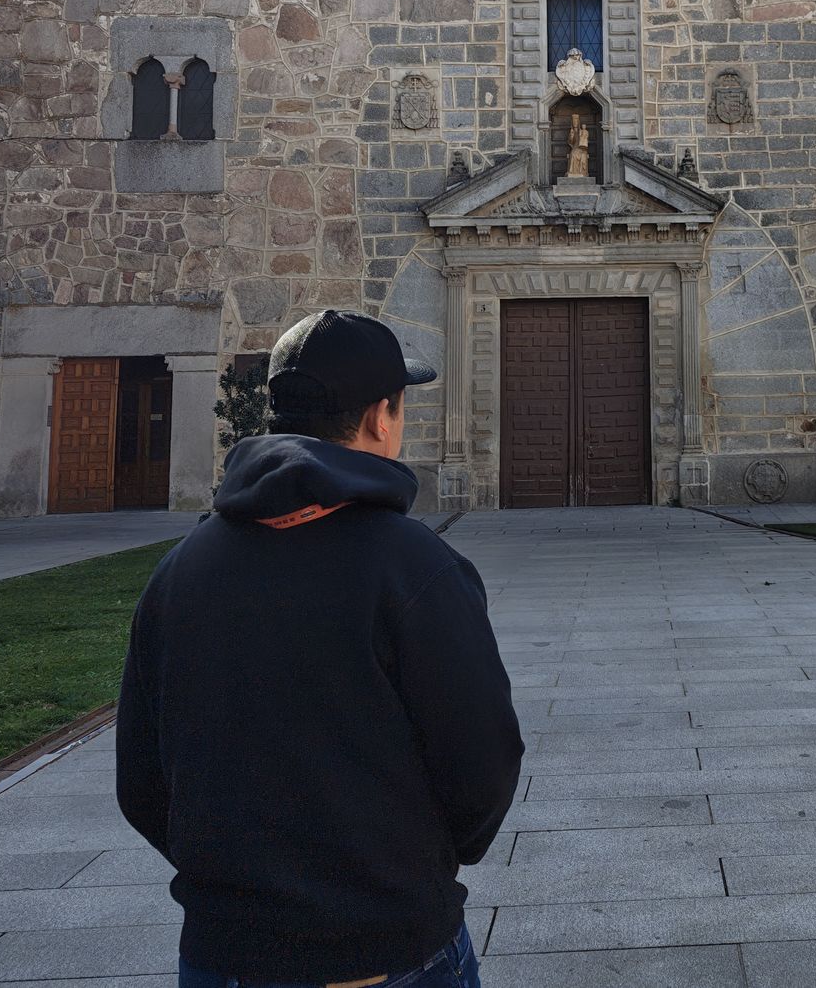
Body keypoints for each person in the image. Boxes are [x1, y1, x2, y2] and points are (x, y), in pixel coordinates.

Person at [117, 309, 524, 987]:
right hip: (386, 953)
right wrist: (406, 876)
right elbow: (482, 764)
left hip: (221, 956)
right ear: (379, 416)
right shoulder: (413, 567)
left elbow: (142, 780)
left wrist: (237, 890)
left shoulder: (181, 570)